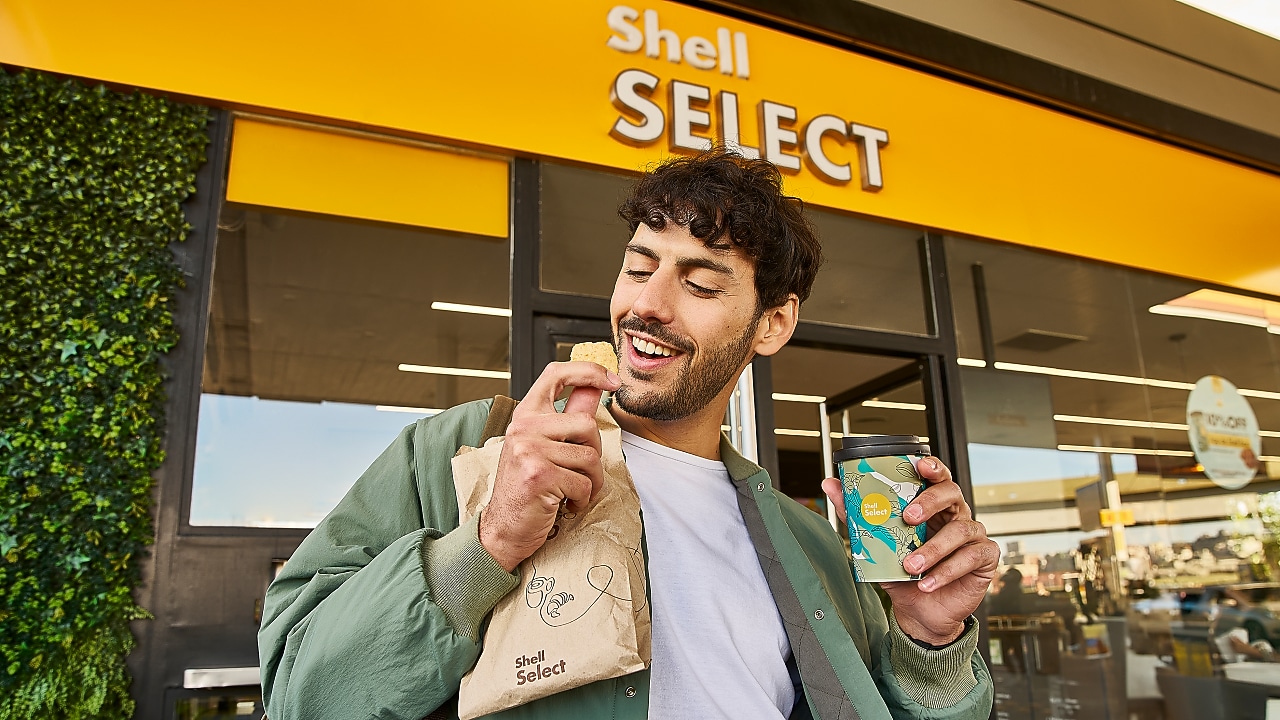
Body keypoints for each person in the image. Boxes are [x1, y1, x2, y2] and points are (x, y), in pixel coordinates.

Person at [258, 148, 998, 720]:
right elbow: (299, 693)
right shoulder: (462, 454)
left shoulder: (811, 547)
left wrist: (929, 642)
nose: (647, 304)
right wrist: (487, 545)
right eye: (638, 269)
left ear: (772, 324)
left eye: (701, 284)